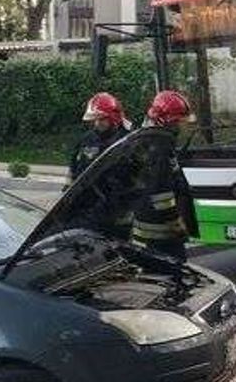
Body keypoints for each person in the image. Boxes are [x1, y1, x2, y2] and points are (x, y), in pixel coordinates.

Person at [132, 90, 196, 260]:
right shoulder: (161, 148)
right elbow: (161, 193)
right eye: (180, 121)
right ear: (168, 122)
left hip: (148, 229)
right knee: (176, 274)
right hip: (162, 234)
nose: (184, 126)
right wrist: (176, 223)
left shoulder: (149, 142)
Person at [68, 92, 130, 182]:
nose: (97, 123)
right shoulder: (87, 139)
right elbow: (74, 168)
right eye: (95, 119)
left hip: (116, 193)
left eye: (101, 119)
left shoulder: (127, 141)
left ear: (113, 117)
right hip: (87, 192)